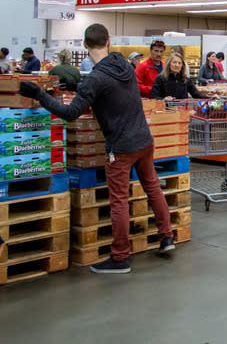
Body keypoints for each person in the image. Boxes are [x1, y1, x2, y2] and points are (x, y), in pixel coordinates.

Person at [18, 23, 175, 274]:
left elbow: (70, 113)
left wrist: (39, 94)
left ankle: (120, 257)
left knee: (119, 201)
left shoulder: (97, 77)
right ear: (109, 40)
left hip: (121, 148)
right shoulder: (124, 64)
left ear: (84, 45)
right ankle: (167, 237)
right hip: (144, 140)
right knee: (153, 187)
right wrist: (81, 90)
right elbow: (111, 93)